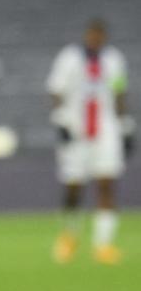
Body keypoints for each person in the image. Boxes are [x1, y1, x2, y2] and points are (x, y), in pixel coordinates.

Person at [47, 19, 134, 265]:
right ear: (87, 35)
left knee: (107, 184)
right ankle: (69, 235)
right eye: (92, 35)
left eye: (100, 36)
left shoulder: (113, 60)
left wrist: (126, 127)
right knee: (74, 187)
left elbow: (119, 93)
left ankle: (103, 244)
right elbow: (56, 90)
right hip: (77, 129)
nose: (96, 40)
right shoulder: (69, 58)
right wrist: (60, 120)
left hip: (106, 130)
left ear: (104, 37)